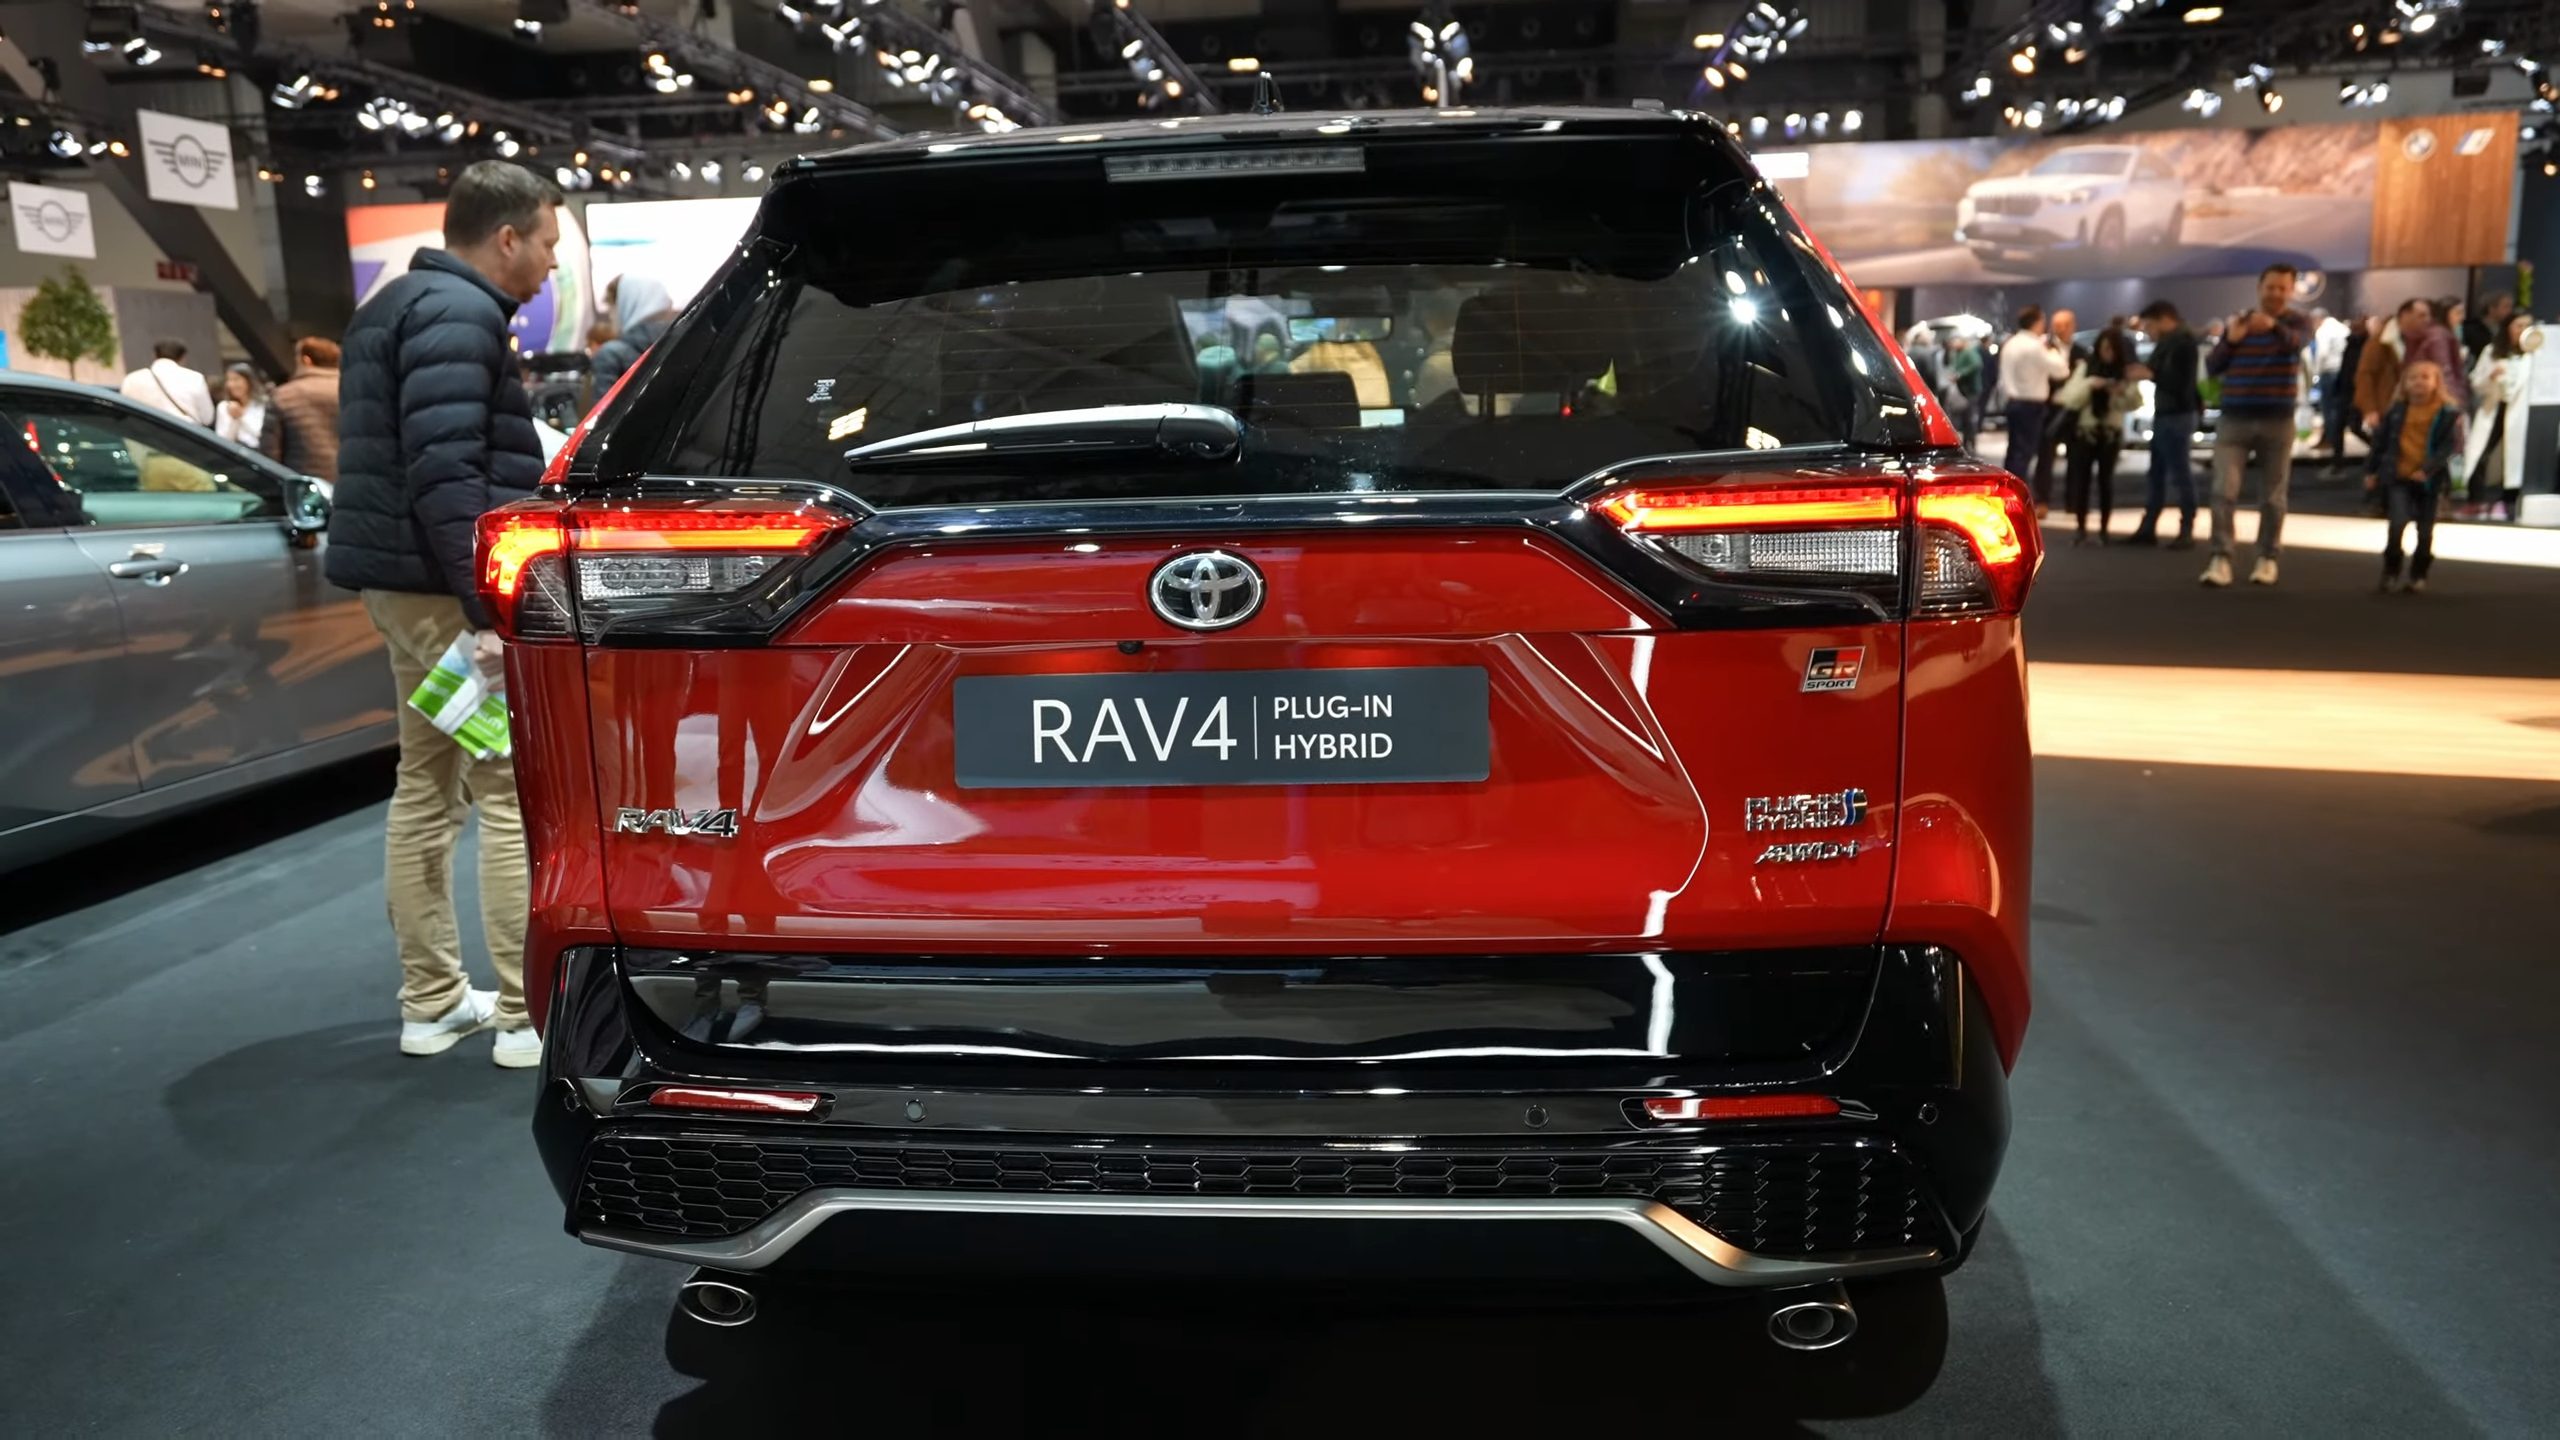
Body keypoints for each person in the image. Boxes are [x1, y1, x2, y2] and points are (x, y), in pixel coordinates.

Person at [327, 159, 562, 1069]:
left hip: (406, 589)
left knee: (426, 786)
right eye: (546, 243)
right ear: (506, 237)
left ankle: (431, 1004)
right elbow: (446, 473)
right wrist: (488, 611)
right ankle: (522, 1018)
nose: (550, 264)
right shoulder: (460, 315)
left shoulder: (397, 303)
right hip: (443, 595)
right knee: (505, 791)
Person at [2201, 263, 2311, 587]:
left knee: (2273, 495)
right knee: (2223, 490)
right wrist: (2232, 340)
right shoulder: (2239, 322)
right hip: (2234, 419)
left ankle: (2267, 557)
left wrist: (2273, 327)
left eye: (2282, 288)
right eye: (2270, 287)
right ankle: (2221, 557)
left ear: (2291, 291)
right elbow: (2213, 365)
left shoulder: (2298, 322)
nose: (2275, 293)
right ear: (2260, 288)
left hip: (2278, 420)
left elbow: (2297, 344)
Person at [2366, 360, 2463, 594]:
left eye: (2425, 377)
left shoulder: (2446, 413)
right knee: (2397, 523)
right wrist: (2371, 470)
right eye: (2413, 378)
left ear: (2436, 383)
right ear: (2404, 384)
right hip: (2398, 476)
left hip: (2429, 481)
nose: (2419, 382)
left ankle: (2419, 574)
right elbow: (2380, 443)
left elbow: (2447, 448)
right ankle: (2391, 570)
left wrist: (2427, 470)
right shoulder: (2396, 411)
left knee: (2425, 529)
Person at [2130, 300, 2200, 547]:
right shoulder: (2174, 341)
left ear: (2164, 319)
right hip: (2169, 413)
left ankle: (2184, 528)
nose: (2147, 331)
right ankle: (2150, 527)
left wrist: (2151, 374)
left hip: (2176, 414)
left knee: (2178, 473)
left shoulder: (2182, 342)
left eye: (2149, 325)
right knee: (2159, 473)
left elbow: (2179, 381)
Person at [2061, 325, 2133, 545]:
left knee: (2105, 482)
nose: (2107, 353)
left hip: (2110, 432)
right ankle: (2081, 528)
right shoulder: (2086, 368)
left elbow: (2134, 401)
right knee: (2081, 481)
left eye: (2112, 349)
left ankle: (2104, 530)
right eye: (2104, 348)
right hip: (2086, 432)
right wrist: (2090, 385)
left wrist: (2119, 392)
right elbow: (2070, 398)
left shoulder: (2124, 372)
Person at [1998, 305, 2071, 515]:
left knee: (2014, 453)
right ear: (2037, 322)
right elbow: (2061, 370)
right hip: (2031, 405)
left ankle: (2006, 496)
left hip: (2013, 402)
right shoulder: (2035, 346)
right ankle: (2017, 502)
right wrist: (2057, 349)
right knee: (2025, 454)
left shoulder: (2010, 343)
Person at [2463, 312, 2536, 521]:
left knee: (2514, 457)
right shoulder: (2492, 351)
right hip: (2494, 408)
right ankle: (2476, 500)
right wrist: (2490, 376)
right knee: (2481, 453)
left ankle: (2508, 501)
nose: (2522, 330)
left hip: (2520, 412)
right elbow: (2476, 383)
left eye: (2527, 326)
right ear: (2508, 328)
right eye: (2518, 325)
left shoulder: (2536, 354)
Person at [268, 337, 343, 487]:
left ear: (306, 360)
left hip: (305, 488)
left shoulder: (284, 395)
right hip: (351, 483)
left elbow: (270, 453)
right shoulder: (354, 390)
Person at [591, 273, 675, 394]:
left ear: (625, 305)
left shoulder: (610, 355)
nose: (610, 316)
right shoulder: (683, 343)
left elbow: (603, 404)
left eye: (612, 308)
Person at [120, 339, 217, 426]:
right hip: (184, 435)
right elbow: (207, 418)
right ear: (182, 357)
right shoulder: (195, 379)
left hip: (140, 435)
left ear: (155, 355)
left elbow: (123, 412)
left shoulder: (131, 379)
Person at [214, 363, 277, 456]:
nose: (232, 385)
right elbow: (223, 440)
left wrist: (241, 417)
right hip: (234, 455)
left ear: (248, 381)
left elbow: (261, 434)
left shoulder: (262, 404)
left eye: (236, 379)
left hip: (259, 454)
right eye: (229, 380)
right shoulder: (223, 406)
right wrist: (234, 420)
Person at [1942, 333, 1985, 451]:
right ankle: (1966, 442)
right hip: (1962, 390)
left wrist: (1960, 374)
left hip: (1970, 390)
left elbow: (1976, 364)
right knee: (1964, 417)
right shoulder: (1957, 353)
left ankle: (1970, 443)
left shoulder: (1969, 352)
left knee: (1969, 418)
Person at [2464, 292, 2516, 362]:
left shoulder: (2507, 329)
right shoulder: (2471, 329)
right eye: (2506, 307)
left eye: (2511, 307)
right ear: (2492, 309)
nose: (2510, 311)